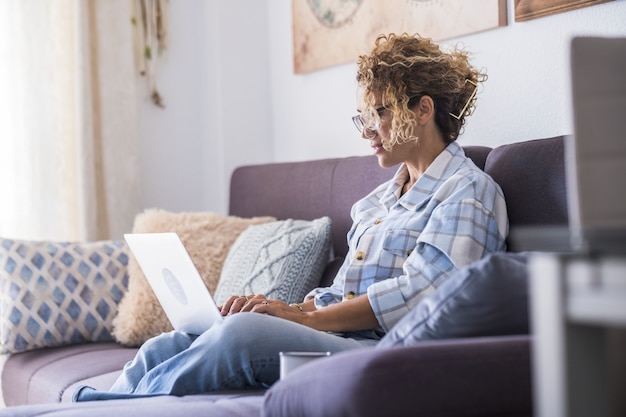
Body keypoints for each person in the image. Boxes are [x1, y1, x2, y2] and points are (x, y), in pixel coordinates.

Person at [73, 33, 508, 401]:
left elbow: (425, 298)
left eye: (381, 111)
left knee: (241, 337)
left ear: (423, 110)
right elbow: (341, 294)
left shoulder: (468, 192)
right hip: (339, 338)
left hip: (392, 355)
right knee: (167, 343)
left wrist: (304, 320)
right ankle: (98, 407)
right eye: (364, 114)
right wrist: (286, 308)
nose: (367, 130)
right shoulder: (377, 202)